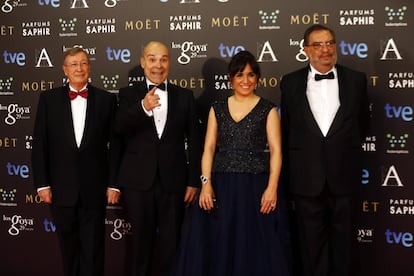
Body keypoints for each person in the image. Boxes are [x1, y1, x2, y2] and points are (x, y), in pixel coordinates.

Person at [174, 50, 290, 276]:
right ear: (230, 78)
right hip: (221, 185)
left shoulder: (268, 109)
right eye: (239, 75)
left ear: (257, 77)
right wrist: (206, 183)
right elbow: (208, 148)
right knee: (220, 241)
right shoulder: (217, 108)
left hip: (256, 186)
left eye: (250, 75)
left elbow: (276, 150)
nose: (245, 81)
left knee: (254, 243)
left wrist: (272, 188)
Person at [280, 24, 370, 276]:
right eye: (318, 45)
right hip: (307, 179)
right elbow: (288, 129)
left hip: (344, 177)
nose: (325, 50)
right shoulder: (289, 83)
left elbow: (363, 124)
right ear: (306, 50)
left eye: (330, 43)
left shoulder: (356, 80)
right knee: (310, 248)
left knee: (346, 248)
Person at [114, 41, 202, 276]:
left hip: (173, 184)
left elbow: (195, 141)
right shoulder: (128, 94)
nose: (158, 65)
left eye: (163, 59)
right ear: (143, 62)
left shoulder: (184, 96)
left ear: (169, 63)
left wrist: (194, 180)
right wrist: (143, 107)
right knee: (140, 248)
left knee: (172, 246)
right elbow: (118, 129)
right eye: (152, 59)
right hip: (137, 183)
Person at [31, 47, 121, 276]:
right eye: (73, 64)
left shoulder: (106, 100)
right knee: (68, 250)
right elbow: (40, 143)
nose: (79, 69)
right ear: (65, 69)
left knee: (93, 251)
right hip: (61, 190)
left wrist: (113, 184)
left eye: (83, 63)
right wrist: (42, 184)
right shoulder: (48, 100)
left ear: (89, 67)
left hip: (95, 189)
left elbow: (116, 145)